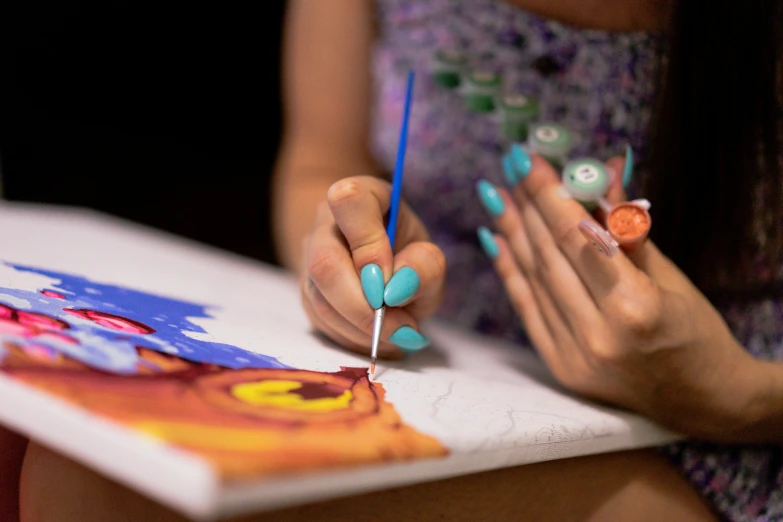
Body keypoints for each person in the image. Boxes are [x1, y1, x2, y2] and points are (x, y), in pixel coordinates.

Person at [6, 0, 782, 521]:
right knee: (83, 476)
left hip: (726, 449)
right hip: (447, 382)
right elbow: (319, 162)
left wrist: (734, 396)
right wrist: (341, 252)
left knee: (99, 493)